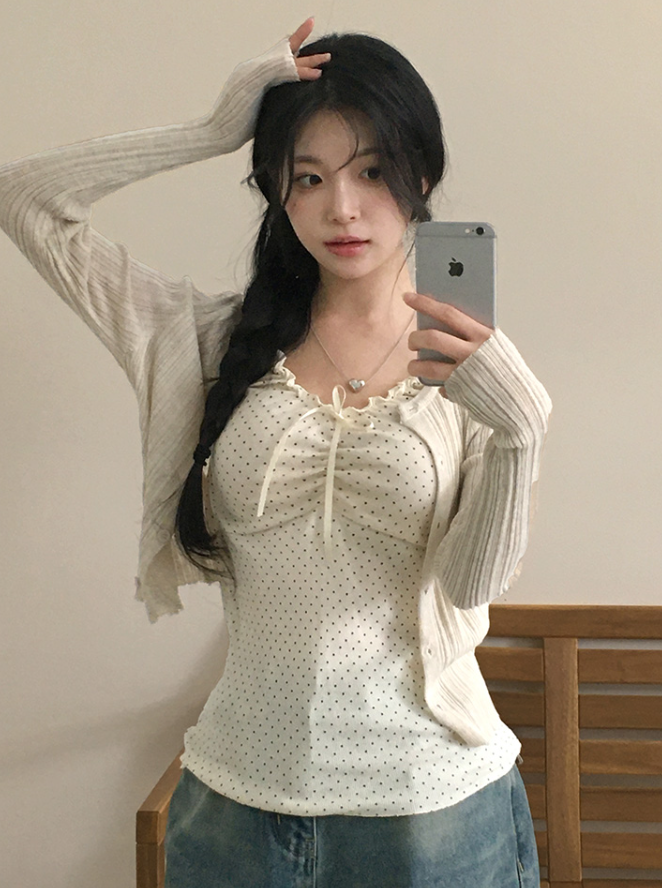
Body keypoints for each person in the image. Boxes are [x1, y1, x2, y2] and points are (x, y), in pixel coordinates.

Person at [0, 16, 551, 887]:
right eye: (308, 177)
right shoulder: (207, 341)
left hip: (433, 808)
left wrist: (520, 433)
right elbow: (26, 199)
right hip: (236, 806)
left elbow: (467, 585)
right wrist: (211, 129)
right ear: (277, 193)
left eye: (373, 171)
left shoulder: (472, 371)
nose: (342, 208)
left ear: (422, 175)